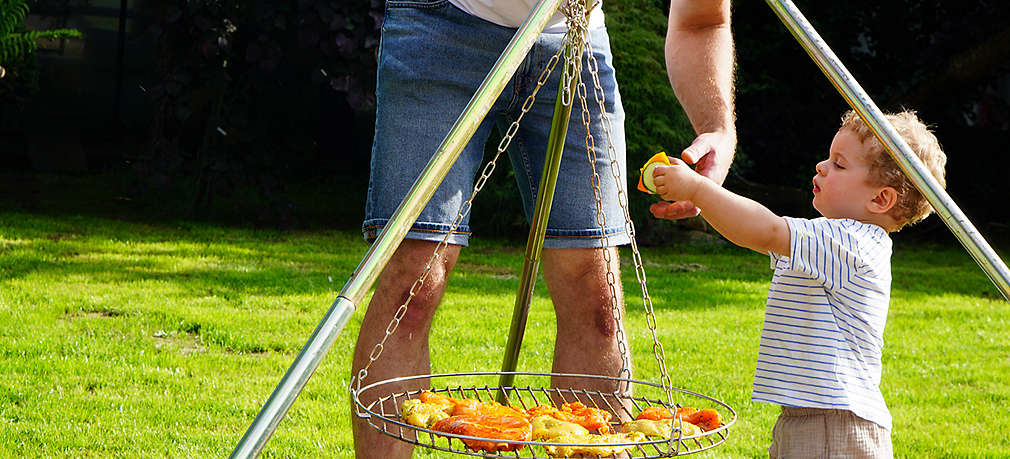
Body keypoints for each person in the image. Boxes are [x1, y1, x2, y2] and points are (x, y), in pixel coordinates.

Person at [352, 0, 735, 457]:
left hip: (575, 39)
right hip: (444, 25)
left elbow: (702, 18)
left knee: (597, 297)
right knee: (414, 281)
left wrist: (716, 128)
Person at [649, 110, 947, 458]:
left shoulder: (853, 244)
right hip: (812, 416)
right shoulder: (829, 242)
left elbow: (766, 230)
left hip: (835, 424)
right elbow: (755, 236)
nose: (822, 166)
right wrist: (703, 198)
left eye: (839, 164)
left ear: (880, 199)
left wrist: (699, 190)